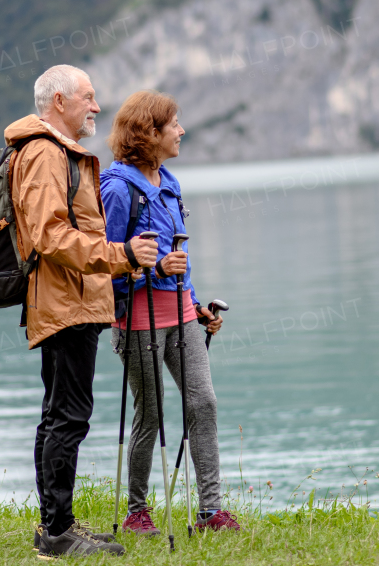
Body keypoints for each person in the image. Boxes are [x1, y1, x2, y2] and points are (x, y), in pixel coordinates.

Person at [7, 65, 159, 558]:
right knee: (68, 417)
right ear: (58, 101)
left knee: (59, 415)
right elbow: (49, 236)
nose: (96, 107)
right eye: (88, 98)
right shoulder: (45, 154)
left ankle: (57, 525)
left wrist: (118, 264)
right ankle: (57, 535)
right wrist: (121, 256)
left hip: (73, 299)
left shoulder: (56, 152)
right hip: (64, 303)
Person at [100, 90, 242, 534]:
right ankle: (136, 513)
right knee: (153, 413)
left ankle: (210, 513)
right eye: (174, 125)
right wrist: (151, 268)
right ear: (150, 132)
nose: (181, 131)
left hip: (180, 316)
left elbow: (180, 258)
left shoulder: (171, 183)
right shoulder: (118, 189)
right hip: (137, 318)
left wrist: (197, 306)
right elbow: (103, 265)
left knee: (204, 403)